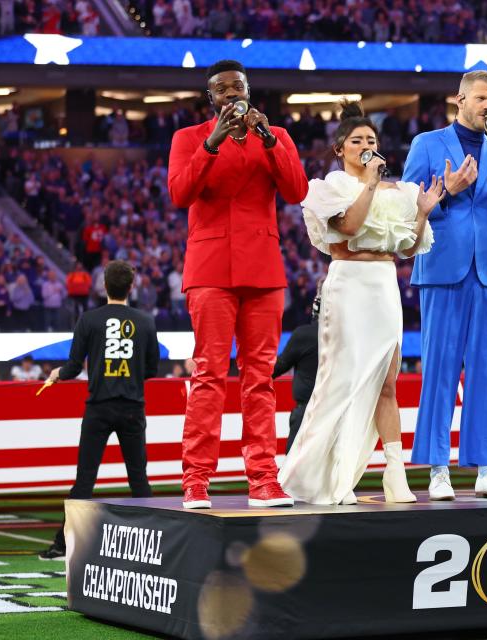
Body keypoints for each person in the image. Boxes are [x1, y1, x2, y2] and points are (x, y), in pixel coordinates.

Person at [278, 101, 441, 505]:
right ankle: (330, 475)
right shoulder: (328, 187)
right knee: (342, 382)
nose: (366, 145)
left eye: (371, 139)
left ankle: (394, 472)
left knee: (387, 382)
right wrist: (369, 183)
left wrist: (421, 214)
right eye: (357, 140)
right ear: (340, 149)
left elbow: (407, 248)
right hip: (348, 284)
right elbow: (348, 228)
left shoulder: (400, 190)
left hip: (384, 285)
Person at [168, 59, 308, 509]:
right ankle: (196, 481)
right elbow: (180, 193)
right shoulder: (189, 138)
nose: (232, 94)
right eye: (222, 90)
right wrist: (212, 142)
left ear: (249, 90)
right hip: (210, 270)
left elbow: (296, 190)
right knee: (209, 374)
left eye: (238, 87)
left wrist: (268, 139)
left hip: (263, 271)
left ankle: (264, 479)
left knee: (260, 379)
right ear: (211, 98)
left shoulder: (277, 136)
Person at [402, 70, 487, 500]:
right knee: (439, 368)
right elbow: (407, 206)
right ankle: (438, 469)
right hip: (442, 267)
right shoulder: (428, 144)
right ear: (459, 99)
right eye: (481, 99)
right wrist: (449, 193)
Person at [38, 260, 160, 560]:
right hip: (132, 407)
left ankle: (62, 545)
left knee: (85, 479)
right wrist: (129, 378)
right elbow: (152, 368)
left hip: (99, 409)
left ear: (103, 286)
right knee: (139, 478)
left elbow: (73, 365)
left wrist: (57, 374)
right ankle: (157, 546)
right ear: (132, 287)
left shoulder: (88, 320)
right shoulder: (145, 321)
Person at [272, 277, 324, 454]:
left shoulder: (304, 335)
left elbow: (276, 368)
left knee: (294, 474)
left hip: (307, 414)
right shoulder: (350, 338)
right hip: (341, 415)